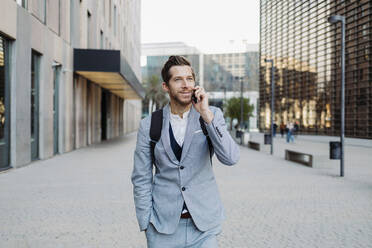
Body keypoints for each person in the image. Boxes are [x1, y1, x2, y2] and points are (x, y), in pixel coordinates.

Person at [131, 56, 240, 248]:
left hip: (204, 227)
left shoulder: (211, 115)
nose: (185, 85)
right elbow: (141, 177)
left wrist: (207, 115)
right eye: (178, 79)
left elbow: (231, 158)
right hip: (162, 228)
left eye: (189, 79)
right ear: (166, 86)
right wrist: (146, 221)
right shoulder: (150, 124)